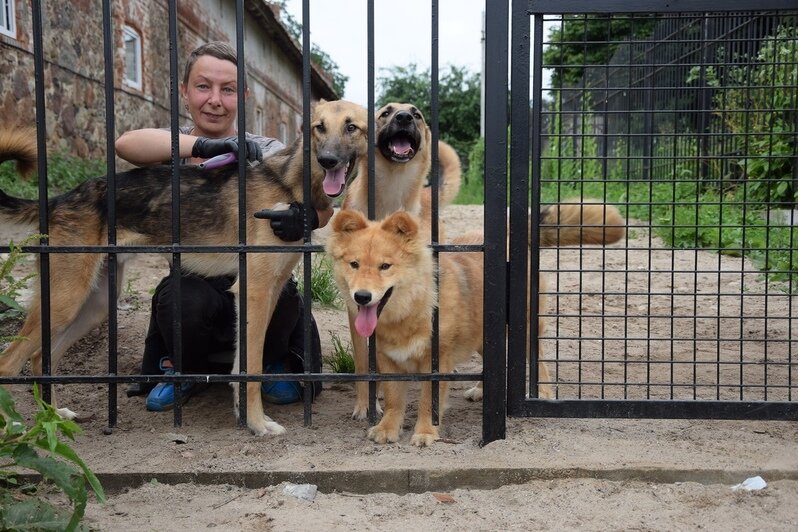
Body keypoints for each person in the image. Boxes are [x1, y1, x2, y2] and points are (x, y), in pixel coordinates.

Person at [116, 41, 329, 410]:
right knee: (180, 299)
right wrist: (198, 147)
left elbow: (321, 205)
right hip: (194, 283)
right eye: (203, 86)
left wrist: (308, 218)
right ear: (184, 92)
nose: (215, 99)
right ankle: (189, 372)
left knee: (279, 294)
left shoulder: (268, 147)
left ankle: (271, 363)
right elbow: (126, 144)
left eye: (227, 89)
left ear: (242, 96)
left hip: (260, 279)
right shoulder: (172, 143)